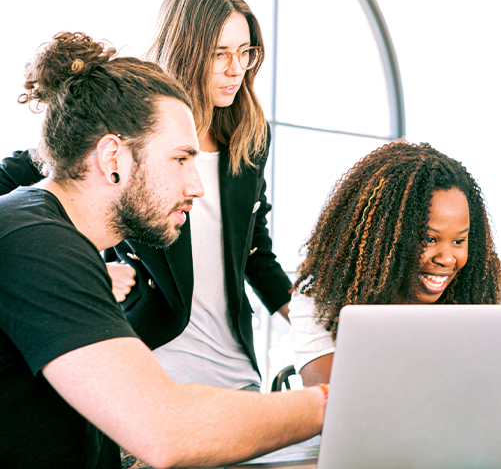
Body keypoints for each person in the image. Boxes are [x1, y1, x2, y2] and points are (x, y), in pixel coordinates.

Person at [0, 31, 326, 468]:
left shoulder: (57, 238)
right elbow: (167, 430)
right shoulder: (36, 242)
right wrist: (330, 401)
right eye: (180, 159)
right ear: (112, 156)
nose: (197, 187)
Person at [0, 0, 290, 392]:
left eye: (245, 52)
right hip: (148, 363)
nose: (236, 69)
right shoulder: (127, 121)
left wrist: (316, 327)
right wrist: (84, 269)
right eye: (220, 53)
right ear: (186, 51)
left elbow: (255, 252)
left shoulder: (250, 138)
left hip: (235, 370)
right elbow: (27, 193)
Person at [289, 141, 501, 387]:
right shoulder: (322, 295)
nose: (446, 259)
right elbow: (336, 402)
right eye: (429, 239)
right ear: (384, 236)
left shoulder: (481, 292)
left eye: (458, 241)